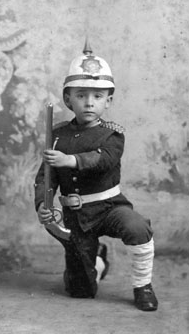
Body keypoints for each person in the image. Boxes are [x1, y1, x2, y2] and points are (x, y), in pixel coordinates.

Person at [34, 40, 158, 311]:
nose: (89, 103)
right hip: (75, 218)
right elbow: (45, 177)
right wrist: (44, 204)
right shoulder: (57, 135)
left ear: (108, 101)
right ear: (68, 99)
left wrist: (70, 160)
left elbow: (104, 160)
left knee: (137, 227)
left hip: (109, 207)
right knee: (81, 291)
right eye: (81, 95)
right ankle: (97, 261)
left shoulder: (113, 134)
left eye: (98, 96)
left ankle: (143, 286)